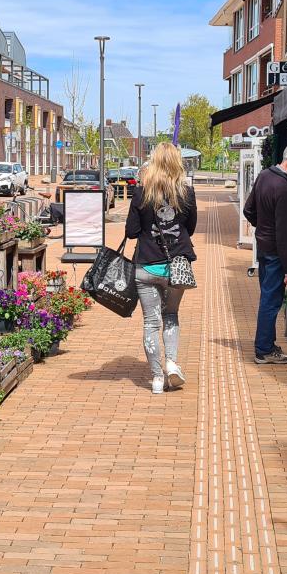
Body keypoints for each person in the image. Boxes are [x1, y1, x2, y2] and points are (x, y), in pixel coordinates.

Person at [125, 142, 198, 394]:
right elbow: (191, 228)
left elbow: (131, 232)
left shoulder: (141, 193)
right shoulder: (186, 193)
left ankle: (156, 379)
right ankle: (171, 364)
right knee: (171, 316)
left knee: (150, 323)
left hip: (146, 266)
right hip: (176, 267)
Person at [243, 141, 287, 364]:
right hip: (275, 251)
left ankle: (267, 345)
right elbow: (283, 232)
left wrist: (262, 228)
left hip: (264, 247)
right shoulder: (283, 188)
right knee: (271, 301)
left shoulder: (264, 175)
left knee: (267, 297)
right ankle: (264, 350)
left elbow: (248, 209)